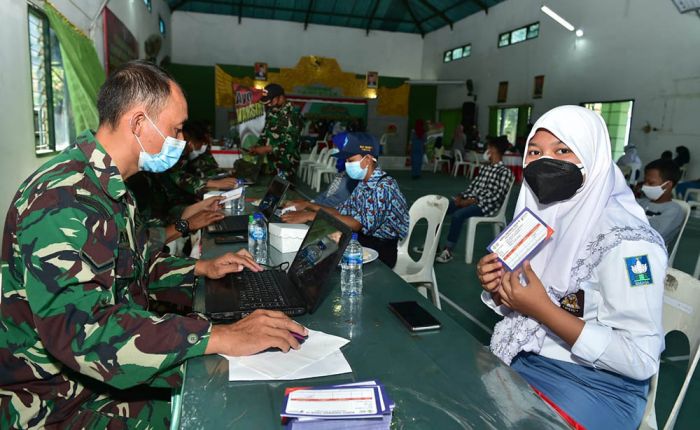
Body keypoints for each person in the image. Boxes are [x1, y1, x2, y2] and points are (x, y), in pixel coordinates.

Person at [0, 61, 306, 428]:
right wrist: (216, 336)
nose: (180, 141)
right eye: (175, 129)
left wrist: (200, 267)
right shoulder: (64, 201)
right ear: (139, 123)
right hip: (58, 402)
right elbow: (83, 334)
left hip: (99, 377)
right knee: (220, 413)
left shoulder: (108, 185)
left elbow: (134, 265)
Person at [477, 106, 666, 429]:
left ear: (592, 156)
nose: (544, 161)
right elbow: (519, 305)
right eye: (534, 151)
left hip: (599, 385)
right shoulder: (539, 216)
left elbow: (640, 359)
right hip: (526, 358)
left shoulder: (629, 243)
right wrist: (498, 288)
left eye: (562, 150)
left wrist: (542, 310)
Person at [281, 133, 409, 267]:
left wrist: (310, 216)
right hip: (363, 241)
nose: (347, 165)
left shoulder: (384, 187)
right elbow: (340, 211)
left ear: (367, 160)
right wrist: (308, 205)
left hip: (381, 251)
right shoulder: (363, 183)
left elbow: (357, 223)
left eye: (350, 160)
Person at [427, 136, 513, 263]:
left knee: (458, 215)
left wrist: (472, 200)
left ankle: (448, 250)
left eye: (488, 148)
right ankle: (433, 247)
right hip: (472, 201)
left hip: (485, 206)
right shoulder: (485, 168)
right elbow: (473, 187)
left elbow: (496, 196)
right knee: (440, 208)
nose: (486, 150)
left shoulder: (504, 172)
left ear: (493, 150)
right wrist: (461, 196)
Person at [285, 132, 359, 211]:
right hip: (320, 208)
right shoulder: (342, 172)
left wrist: (308, 206)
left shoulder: (351, 177)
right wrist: (310, 203)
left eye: (336, 147)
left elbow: (333, 204)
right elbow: (327, 194)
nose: (333, 149)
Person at [248, 83, 302, 180]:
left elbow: (291, 143)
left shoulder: (292, 114)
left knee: (285, 193)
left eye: (270, 101)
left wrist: (265, 149)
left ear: (280, 98)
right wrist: (257, 147)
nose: (268, 104)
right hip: (273, 163)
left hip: (287, 164)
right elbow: (265, 134)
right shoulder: (273, 112)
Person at [637, 159, 685, 247]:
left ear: (668, 185)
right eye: (645, 182)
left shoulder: (673, 210)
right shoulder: (640, 202)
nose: (645, 186)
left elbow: (654, 234)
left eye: (651, 183)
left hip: (648, 254)